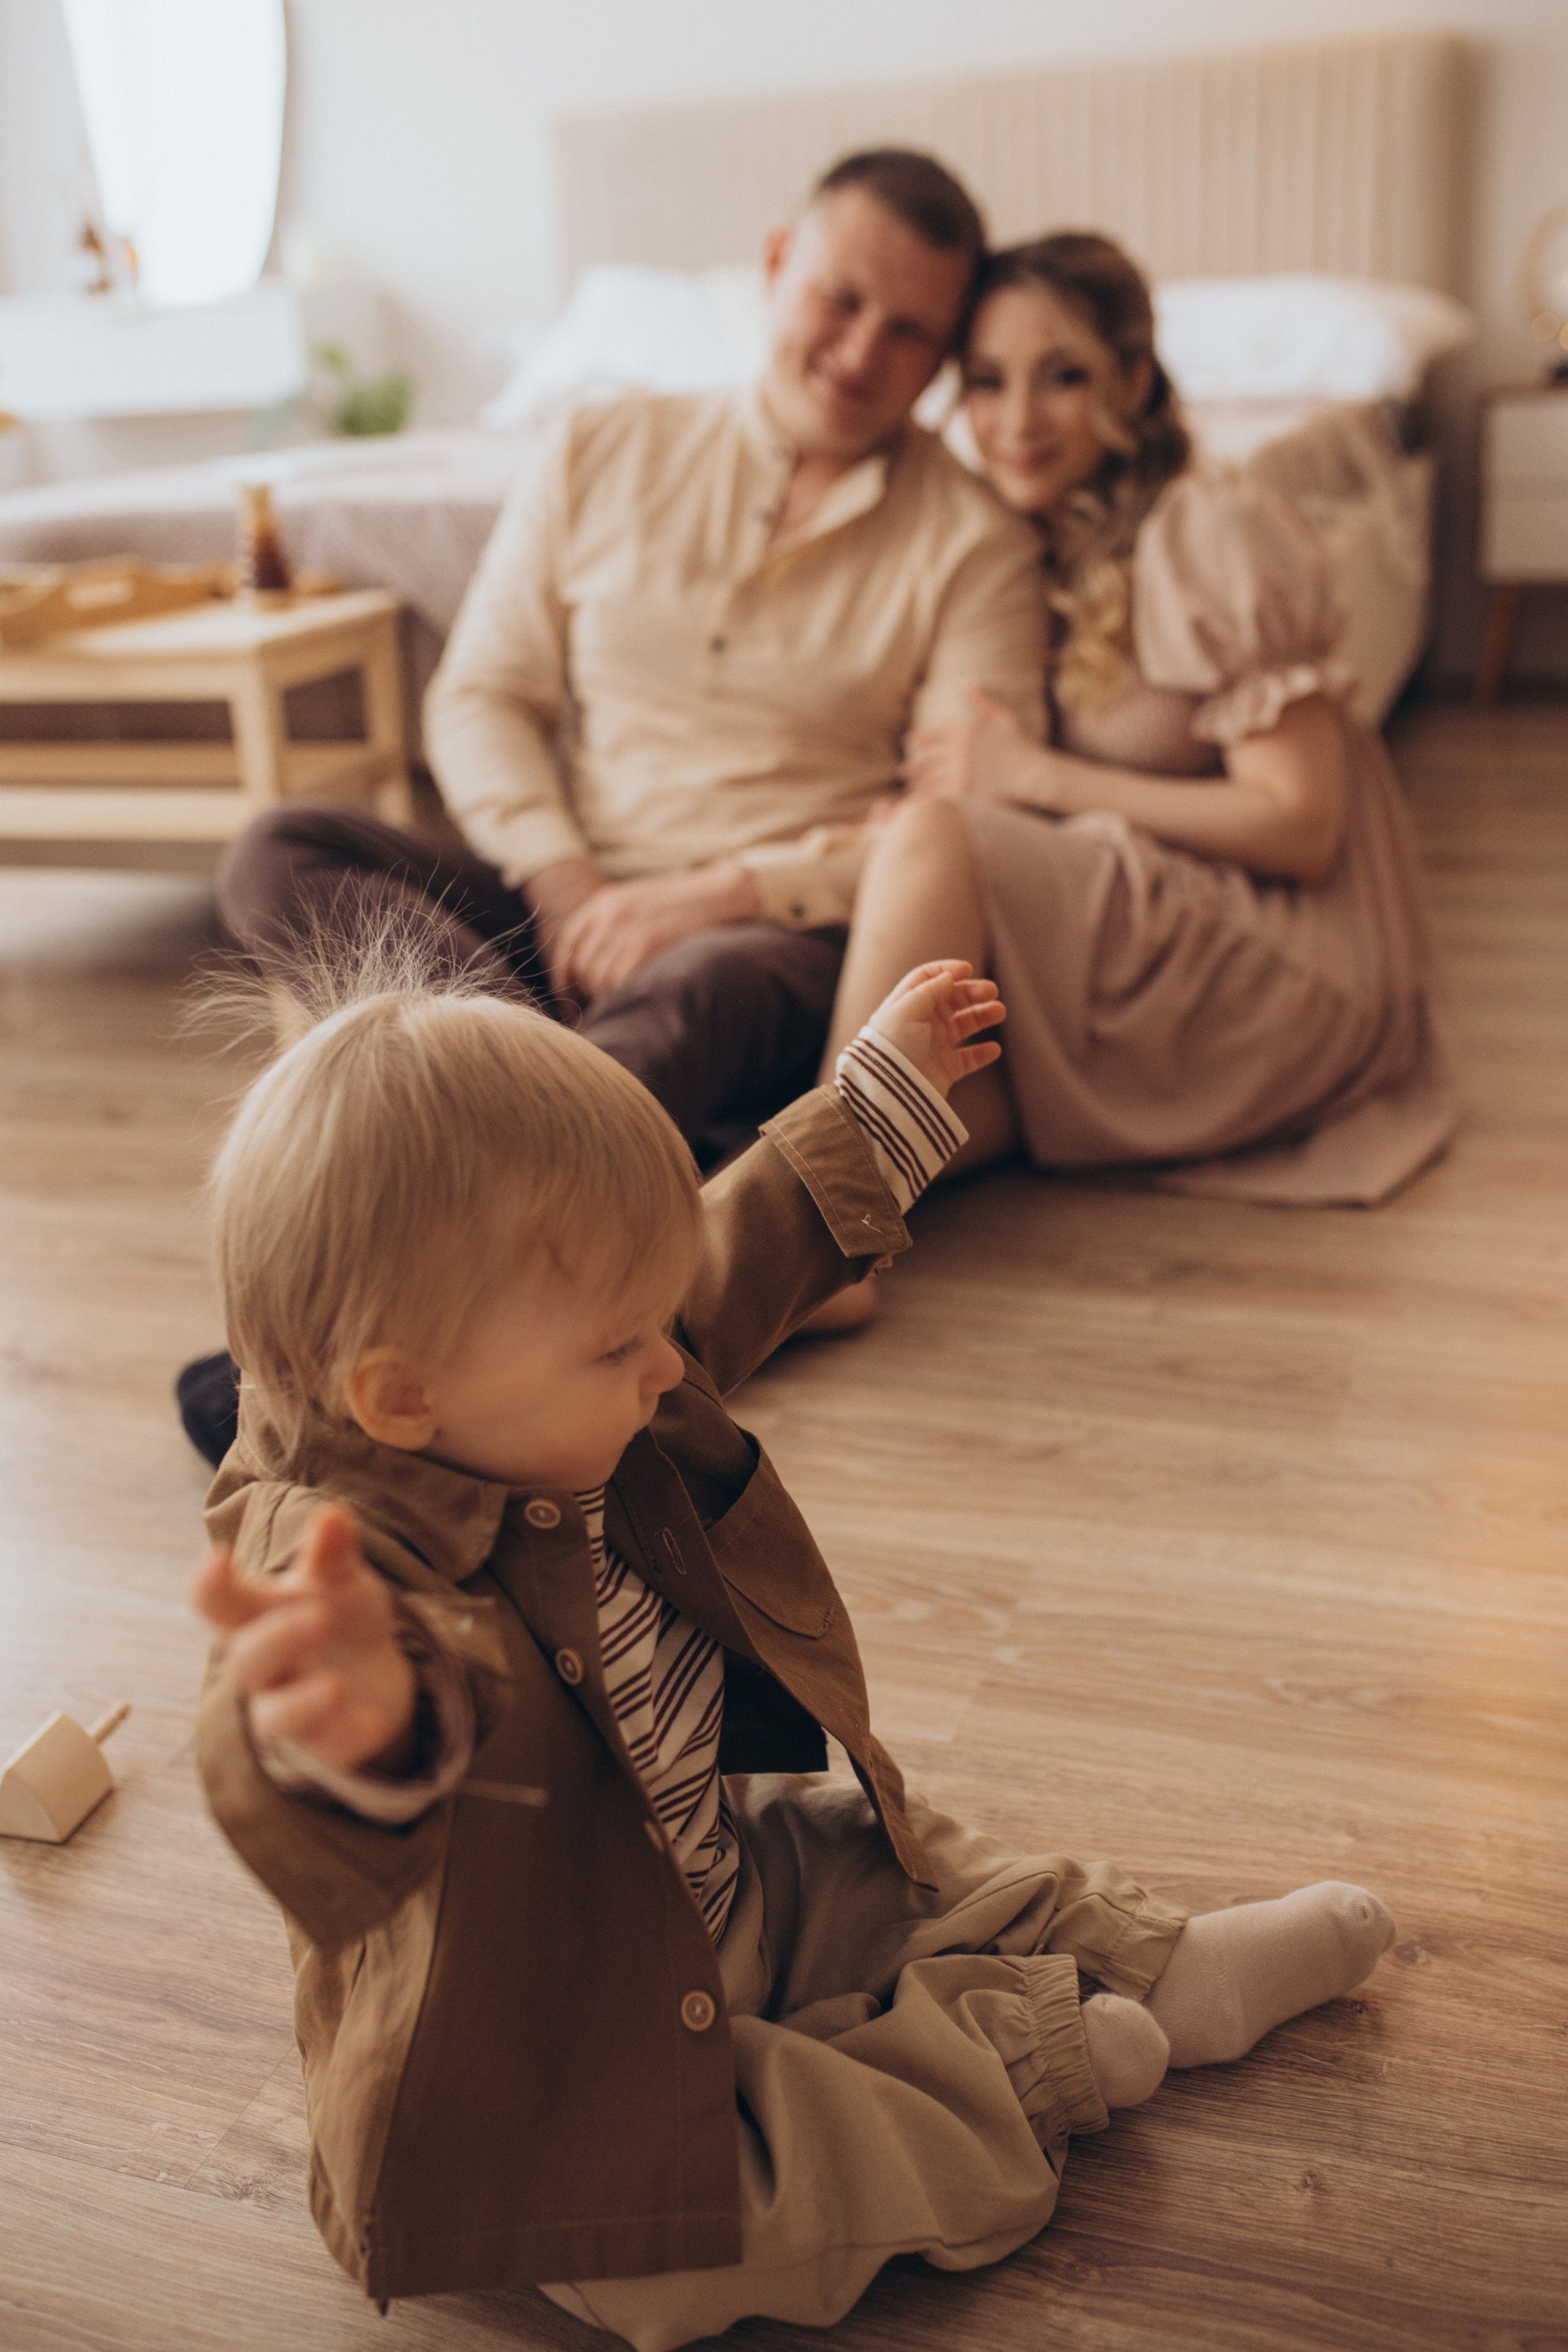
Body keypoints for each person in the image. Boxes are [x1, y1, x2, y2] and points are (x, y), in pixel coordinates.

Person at [189, 947, 1396, 2348]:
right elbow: (285, 1746)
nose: (663, 1366)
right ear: (398, 1397)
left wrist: (877, 1097)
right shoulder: (321, 1562)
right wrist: (347, 1718)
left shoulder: (540, 1369)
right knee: (700, 2236)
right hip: (554, 2075)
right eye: (616, 1349)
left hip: (725, 1876)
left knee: (904, 1859)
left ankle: (1160, 1964)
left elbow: (727, 1254)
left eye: (653, 1328)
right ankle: (1008, 2059)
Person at [216, 148, 1046, 1155]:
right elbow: (482, 694)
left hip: (773, 941)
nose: (862, 354)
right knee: (283, 847)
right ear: (778, 262)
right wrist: (566, 888)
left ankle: (479, 1137)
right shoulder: (596, 449)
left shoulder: (979, 542)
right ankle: (568, 1121)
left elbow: (963, 826)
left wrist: (721, 896)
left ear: (945, 358)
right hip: (564, 908)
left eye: (910, 333)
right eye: (841, 300)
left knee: (697, 990)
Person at [820, 231, 1459, 1218]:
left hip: (1284, 964)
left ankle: (815, 1232)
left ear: (1131, 380)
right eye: (987, 382)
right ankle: (781, 1236)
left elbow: (1303, 826)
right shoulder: (1031, 537)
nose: (1017, 421)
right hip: (1152, 941)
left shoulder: (1208, 528)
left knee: (938, 846)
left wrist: (1035, 780)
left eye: (1062, 377)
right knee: (895, 1126)